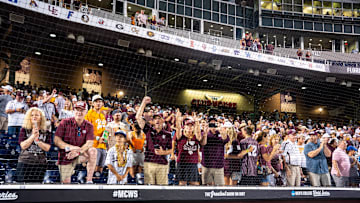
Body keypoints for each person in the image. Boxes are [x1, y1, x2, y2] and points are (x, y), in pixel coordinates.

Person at [54, 101, 97, 184]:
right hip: (66, 154)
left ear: (86, 112)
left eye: (82, 110)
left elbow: (89, 143)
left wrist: (77, 152)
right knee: (66, 184)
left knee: (93, 151)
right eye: (77, 110)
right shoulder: (64, 122)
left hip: (80, 155)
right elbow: (57, 140)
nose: (79, 112)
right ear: (73, 110)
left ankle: (89, 181)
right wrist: (72, 148)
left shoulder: (89, 125)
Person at [136, 96, 172, 185]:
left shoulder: (168, 134)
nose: (157, 120)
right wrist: (143, 103)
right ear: (152, 121)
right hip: (149, 162)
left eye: (159, 118)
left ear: (163, 121)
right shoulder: (148, 130)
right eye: (155, 118)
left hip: (162, 164)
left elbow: (172, 149)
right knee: (149, 189)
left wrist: (163, 152)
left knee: (163, 189)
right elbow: (138, 117)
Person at [16, 107, 51, 183]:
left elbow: (47, 148)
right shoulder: (24, 130)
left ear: (41, 118)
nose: (34, 117)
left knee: (36, 188)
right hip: (25, 162)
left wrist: (38, 141)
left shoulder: (46, 132)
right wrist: (32, 136)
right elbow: (23, 146)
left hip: (40, 163)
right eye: (32, 115)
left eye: (36, 115)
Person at [175, 111, 201, 186]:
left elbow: (199, 136)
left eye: (191, 126)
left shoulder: (195, 136)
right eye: (188, 126)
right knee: (182, 183)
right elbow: (178, 129)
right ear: (185, 127)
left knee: (195, 184)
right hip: (182, 162)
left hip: (193, 163)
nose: (189, 127)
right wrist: (178, 120)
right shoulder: (181, 136)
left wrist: (196, 121)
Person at [200, 117, 229, 186]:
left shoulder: (221, 133)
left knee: (220, 187)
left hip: (219, 165)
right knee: (207, 187)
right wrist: (205, 133)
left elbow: (226, 139)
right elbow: (203, 143)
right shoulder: (204, 133)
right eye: (211, 124)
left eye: (214, 124)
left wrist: (221, 130)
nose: (213, 126)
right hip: (207, 164)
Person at [85, 95, 107, 173]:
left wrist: (106, 137)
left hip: (103, 145)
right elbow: (86, 131)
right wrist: (98, 138)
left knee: (100, 168)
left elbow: (105, 130)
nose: (98, 103)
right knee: (93, 168)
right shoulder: (89, 114)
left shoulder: (102, 116)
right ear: (92, 103)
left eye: (100, 101)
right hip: (93, 145)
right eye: (96, 102)